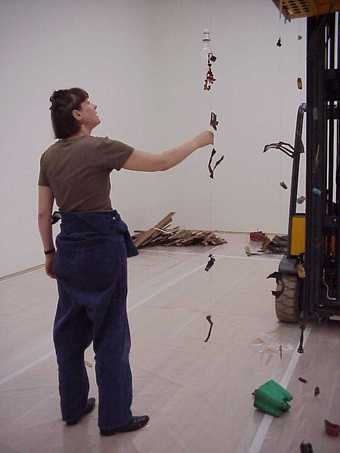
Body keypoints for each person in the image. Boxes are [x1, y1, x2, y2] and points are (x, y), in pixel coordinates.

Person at [37, 87, 214, 436]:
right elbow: (162, 162)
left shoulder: (48, 156)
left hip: (68, 246)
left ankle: (72, 407)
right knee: (111, 330)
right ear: (77, 114)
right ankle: (115, 416)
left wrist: (49, 254)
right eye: (89, 103)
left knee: (69, 332)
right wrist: (199, 141)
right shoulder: (101, 147)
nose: (95, 106)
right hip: (102, 246)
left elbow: (44, 212)